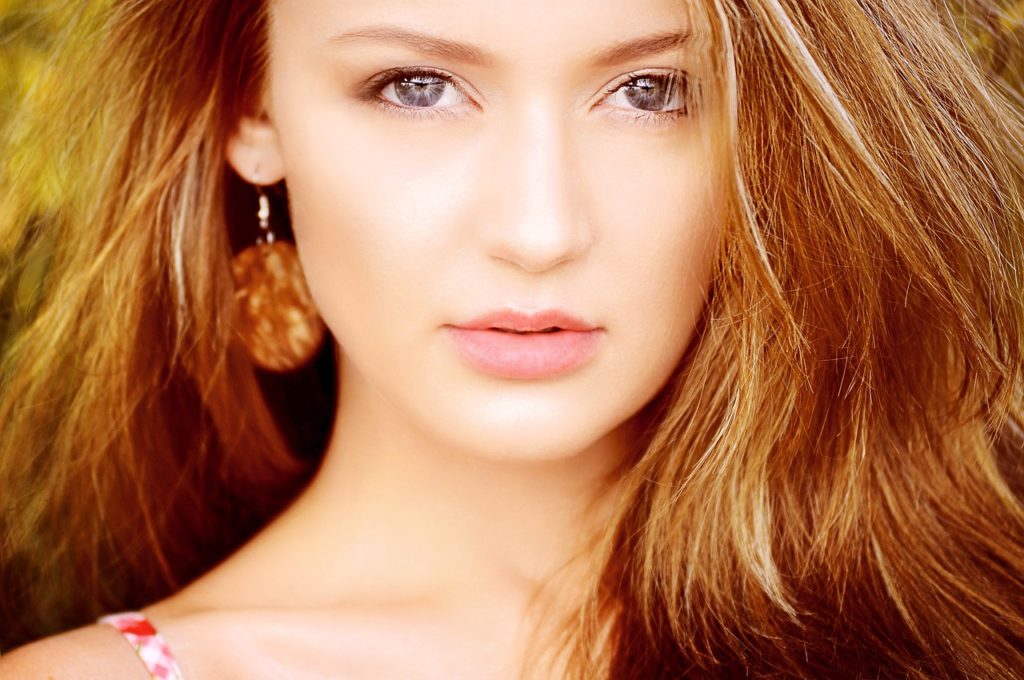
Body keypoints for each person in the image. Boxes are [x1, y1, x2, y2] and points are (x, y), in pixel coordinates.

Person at [1, 0, 1022, 677]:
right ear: (250, 106)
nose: (541, 231)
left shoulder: (962, 615)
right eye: (417, 86)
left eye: (651, 91)